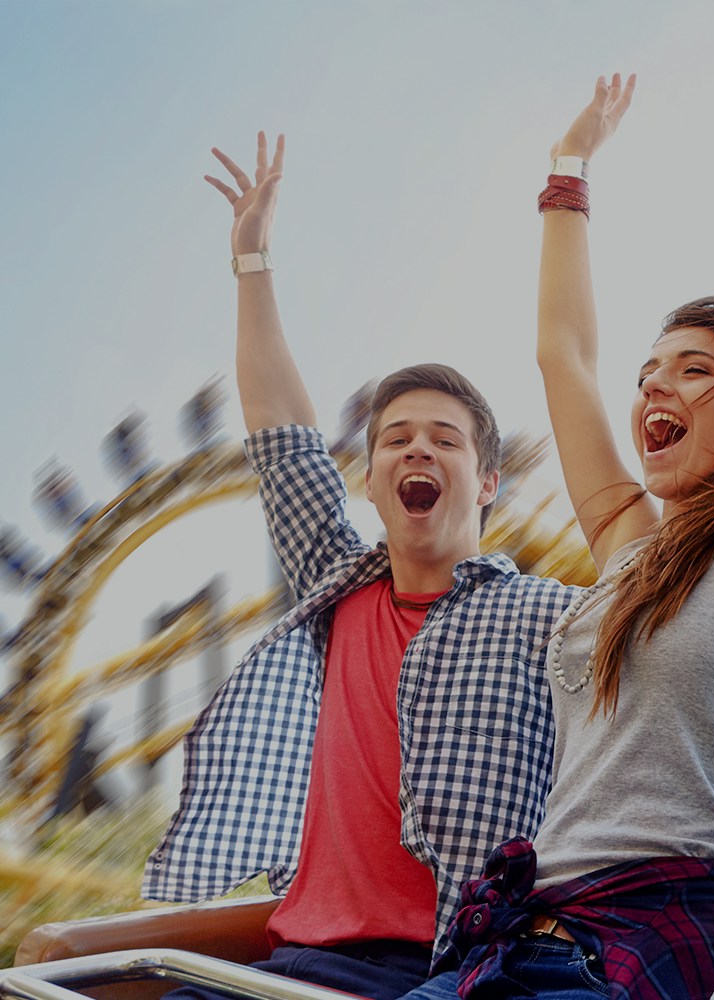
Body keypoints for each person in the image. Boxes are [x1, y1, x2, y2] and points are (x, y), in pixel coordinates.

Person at [396, 5, 714, 1000]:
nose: (655, 390)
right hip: (529, 930)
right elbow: (562, 352)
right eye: (649, 373)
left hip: (642, 932)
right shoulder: (634, 545)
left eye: (692, 371)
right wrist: (568, 168)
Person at [142, 132, 579, 1000]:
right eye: (396, 441)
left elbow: (673, 717)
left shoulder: (550, 616)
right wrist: (253, 260)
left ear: (486, 481)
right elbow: (280, 435)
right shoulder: (335, 585)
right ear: (372, 480)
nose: (418, 450)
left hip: (453, 971)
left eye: (444, 440)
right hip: (298, 962)